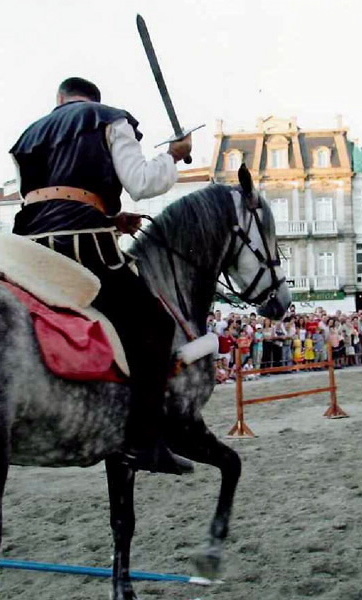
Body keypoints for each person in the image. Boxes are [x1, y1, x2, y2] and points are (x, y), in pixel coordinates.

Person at [10, 77, 194, 474]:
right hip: (83, 246)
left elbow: (48, 199)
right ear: (93, 99)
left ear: (59, 99)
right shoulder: (109, 118)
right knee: (155, 325)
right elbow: (143, 183)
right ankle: (145, 443)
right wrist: (174, 156)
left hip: (28, 248)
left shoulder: (28, 134)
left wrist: (111, 219)